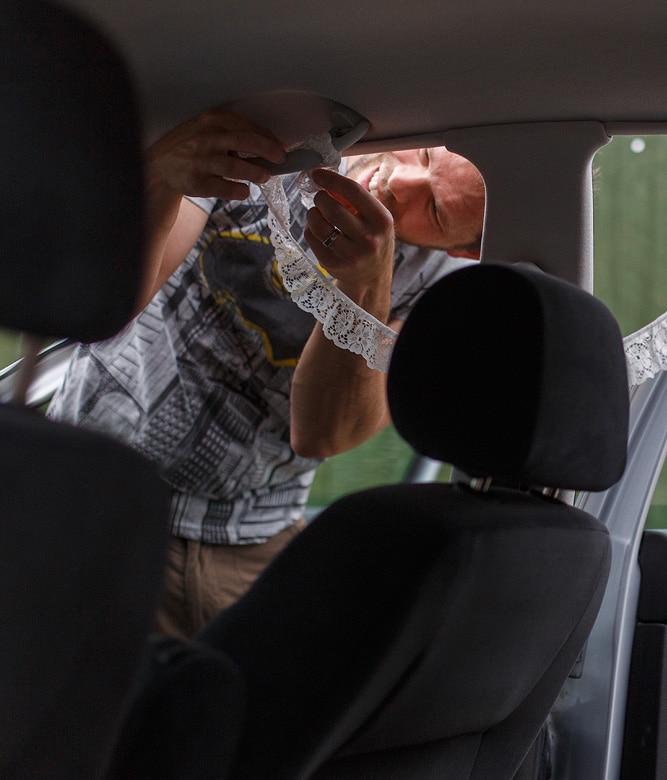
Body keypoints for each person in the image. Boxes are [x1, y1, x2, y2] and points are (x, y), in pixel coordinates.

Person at [47, 109, 487, 639]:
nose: (400, 183)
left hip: (244, 541)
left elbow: (321, 432)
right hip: (94, 483)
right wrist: (164, 175)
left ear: (464, 249)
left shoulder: (446, 292)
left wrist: (365, 287)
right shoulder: (288, 140)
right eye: (423, 155)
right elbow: (110, 305)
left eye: (435, 210)